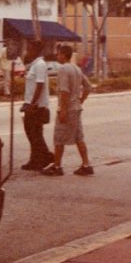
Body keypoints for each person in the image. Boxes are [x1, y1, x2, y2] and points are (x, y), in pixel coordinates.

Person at [42, 44, 93, 176]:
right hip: (76, 108)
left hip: (68, 108)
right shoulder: (76, 69)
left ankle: (57, 166)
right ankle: (86, 165)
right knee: (79, 137)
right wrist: (80, 101)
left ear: (63, 55)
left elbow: (64, 90)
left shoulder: (64, 69)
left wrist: (63, 110)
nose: (57, 56)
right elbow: (88, 87)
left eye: (58, 54)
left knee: (58, 137)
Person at [20, 39, 52, 170]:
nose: (27, 51)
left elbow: (40, 85)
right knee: (33, 134)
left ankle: (45, 158)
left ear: (35, 50)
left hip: (36, 107)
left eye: (29, 49)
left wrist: (32, 104)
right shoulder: (34, 65)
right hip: (31, 105)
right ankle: (37, 159)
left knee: (35, 135)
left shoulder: (40, 65)